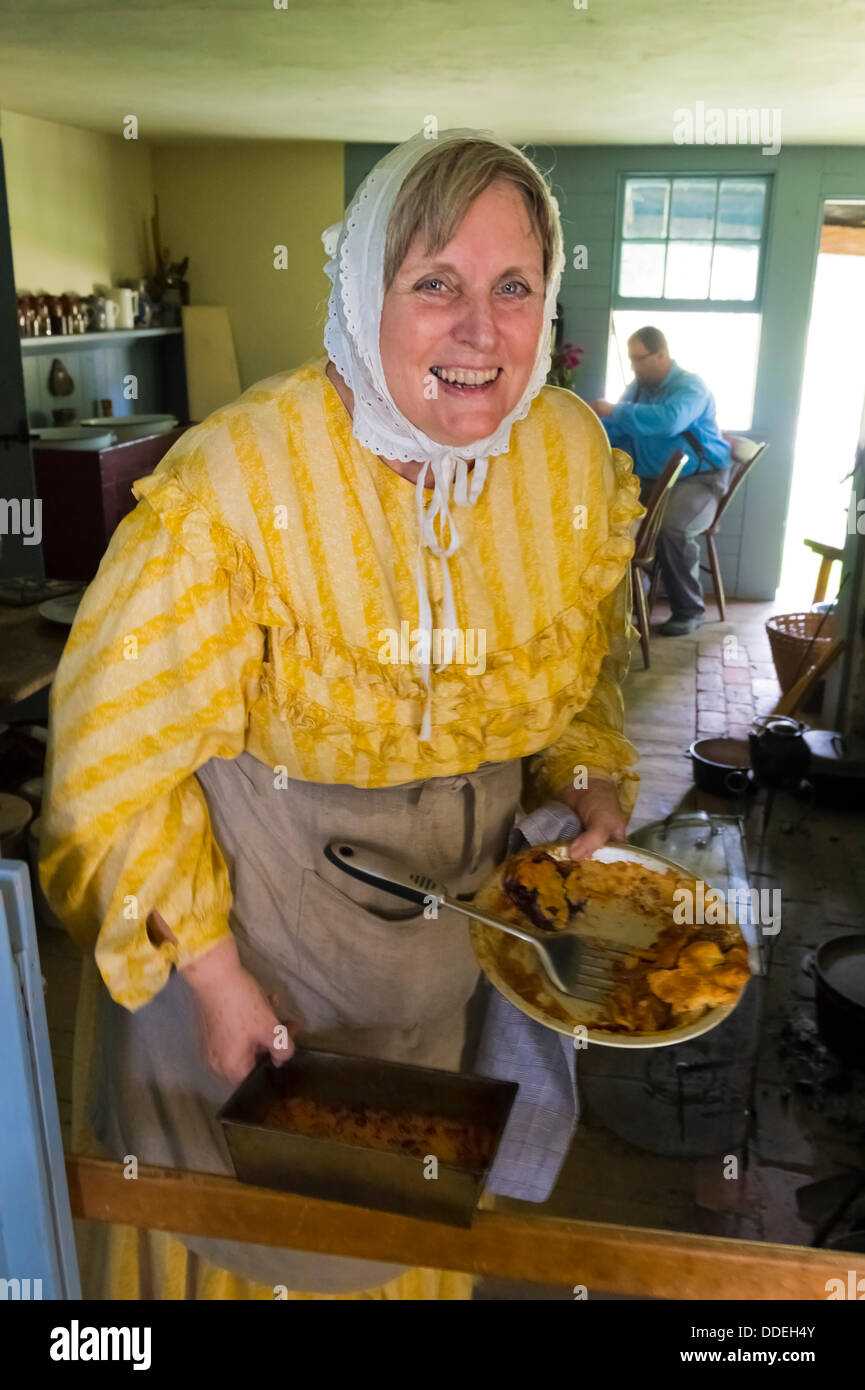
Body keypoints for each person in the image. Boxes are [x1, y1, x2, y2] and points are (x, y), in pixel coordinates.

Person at [39, 128, 644, 1301]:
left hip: (436, 978)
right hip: (254, 962)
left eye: (512, 286)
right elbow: (108, 766)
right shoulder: (239, 485)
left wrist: (585, 775)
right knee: (253, 1228)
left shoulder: (564, 461)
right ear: (365, 293)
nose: (480, 331)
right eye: (435, 284)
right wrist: (214, 980)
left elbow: (580, 665)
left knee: (398, 1220)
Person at [591, 327, 730, 635]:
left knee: (671, 526)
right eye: (630, 359)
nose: (634, 367)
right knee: (602, 520)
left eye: (639, 359)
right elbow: (618, 429)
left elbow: (669, 421)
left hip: (700, 480)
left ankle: (689, 609)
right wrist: (593, 427)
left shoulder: (691, 387)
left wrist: (614, 410)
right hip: (652, 482)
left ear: (661, 354)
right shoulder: (637, 389)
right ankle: (633, 591)